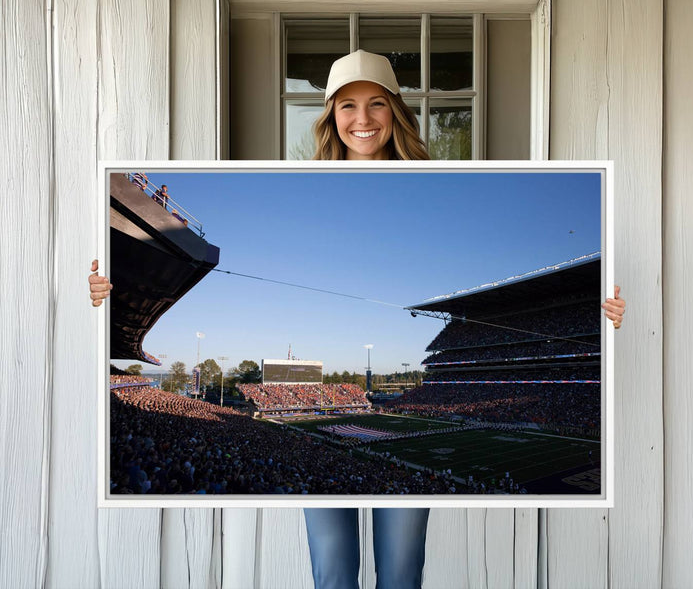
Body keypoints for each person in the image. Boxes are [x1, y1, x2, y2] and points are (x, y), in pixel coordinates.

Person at [88, 50, 627, 589]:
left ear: (396, 111)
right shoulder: (299, 175)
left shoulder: (445, 172)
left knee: (399, 571)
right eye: (347, 105)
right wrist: (97, 294)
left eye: (376, 104)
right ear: (329, 115)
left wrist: (609, 315)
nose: (362, 119)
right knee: (334, 572)